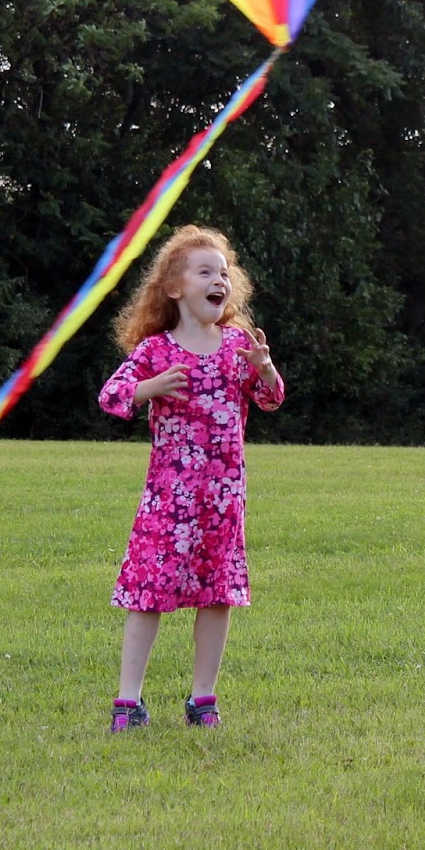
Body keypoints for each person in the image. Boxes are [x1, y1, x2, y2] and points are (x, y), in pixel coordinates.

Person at [99, 225, 284, 729]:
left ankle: (203, 699)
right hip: (168, 502)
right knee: (147, 593)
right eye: (205, 271)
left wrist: (265, 370)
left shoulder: (237, 346)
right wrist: (150, 387)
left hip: (222, 500)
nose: (218, 279)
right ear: (176, 287)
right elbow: (111, 395)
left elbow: (271, 399)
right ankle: (128, 701)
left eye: (223, 273)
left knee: (218, 594)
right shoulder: (156, 350)